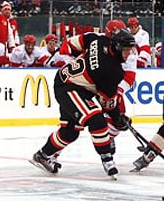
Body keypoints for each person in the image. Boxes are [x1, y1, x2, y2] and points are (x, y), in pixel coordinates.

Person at [29, 29, 136, 178]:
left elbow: (72, 44)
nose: (128, 54)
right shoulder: (112, 71)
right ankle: (107, 159)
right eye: (126, 51)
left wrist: (72, 60)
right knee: (96, 120)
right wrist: (118, 118)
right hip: (70, 88)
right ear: (117, 47)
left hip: (68, 81)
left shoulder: (98, 40)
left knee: (70, 132)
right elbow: (107, 103)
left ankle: (42, 155)